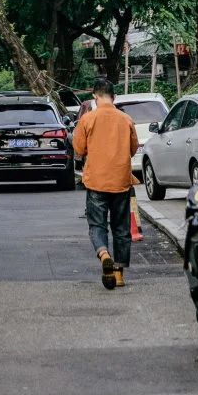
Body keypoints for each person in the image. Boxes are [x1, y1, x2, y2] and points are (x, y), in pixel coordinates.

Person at [72, 75, 139, 289]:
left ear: (95, 96)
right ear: (114, 97)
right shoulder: (125, 119)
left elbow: (79, 149)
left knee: (97, 224)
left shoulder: (87, 119)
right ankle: (119, 275)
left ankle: (103, 254)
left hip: (96, 181)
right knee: (121, 228)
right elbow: (133, 148)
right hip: (120, 180)